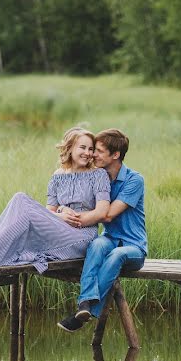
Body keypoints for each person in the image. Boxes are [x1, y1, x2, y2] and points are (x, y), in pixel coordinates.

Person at [0, 126, 111, 272]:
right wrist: (61, 215)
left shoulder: (98, 175)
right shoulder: (58, 176)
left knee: (22, 201)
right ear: (70, 148)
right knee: (20, 198)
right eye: (82, 147)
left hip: (82, 237)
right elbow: (49, 213)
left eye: (90, 149)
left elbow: (102, 213)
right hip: (59, 229)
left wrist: (75, 220)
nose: (88, 153)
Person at [58, 128, 146, 332]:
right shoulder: (99, 177)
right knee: (96, 244)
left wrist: (74, 220)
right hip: (108, 238)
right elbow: (76, 199)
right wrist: (63, 210)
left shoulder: (134, 180)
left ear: (115, 155)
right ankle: (84, 305)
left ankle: (86, 314)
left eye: (98, 151)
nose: (92, 154)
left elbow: (106, 215)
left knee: (116, 255)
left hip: (133, 247)